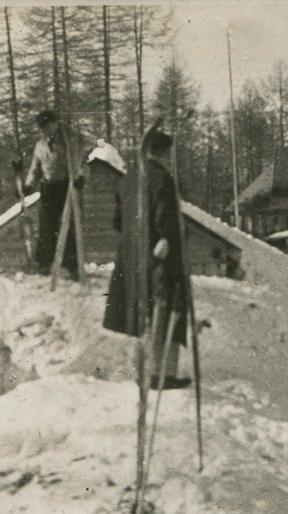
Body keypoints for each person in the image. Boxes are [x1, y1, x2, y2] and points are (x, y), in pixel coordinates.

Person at [103, 129, 191, 390]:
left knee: (140, 310)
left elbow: (117, 221)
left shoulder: (127, 179)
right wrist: (166, 238)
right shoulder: (162, 179)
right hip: (160, 254)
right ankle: (162, 374)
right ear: (163, 153)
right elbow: (166, 216)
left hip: (131, 257)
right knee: (167, 308)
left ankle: (143, 370)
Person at [25, 109, 79, 276]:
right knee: (46, 226)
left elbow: (82, 160)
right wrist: (28, 184)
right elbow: (35, 168)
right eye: (41, 128)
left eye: (47, 126)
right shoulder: (40, 144)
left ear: (55, 124)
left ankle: (72, 266)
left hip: (67, 186)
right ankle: (45, 263)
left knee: (67, 225)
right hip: (48, 188)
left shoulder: (69, 139)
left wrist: (80, 177)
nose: (44, 131)